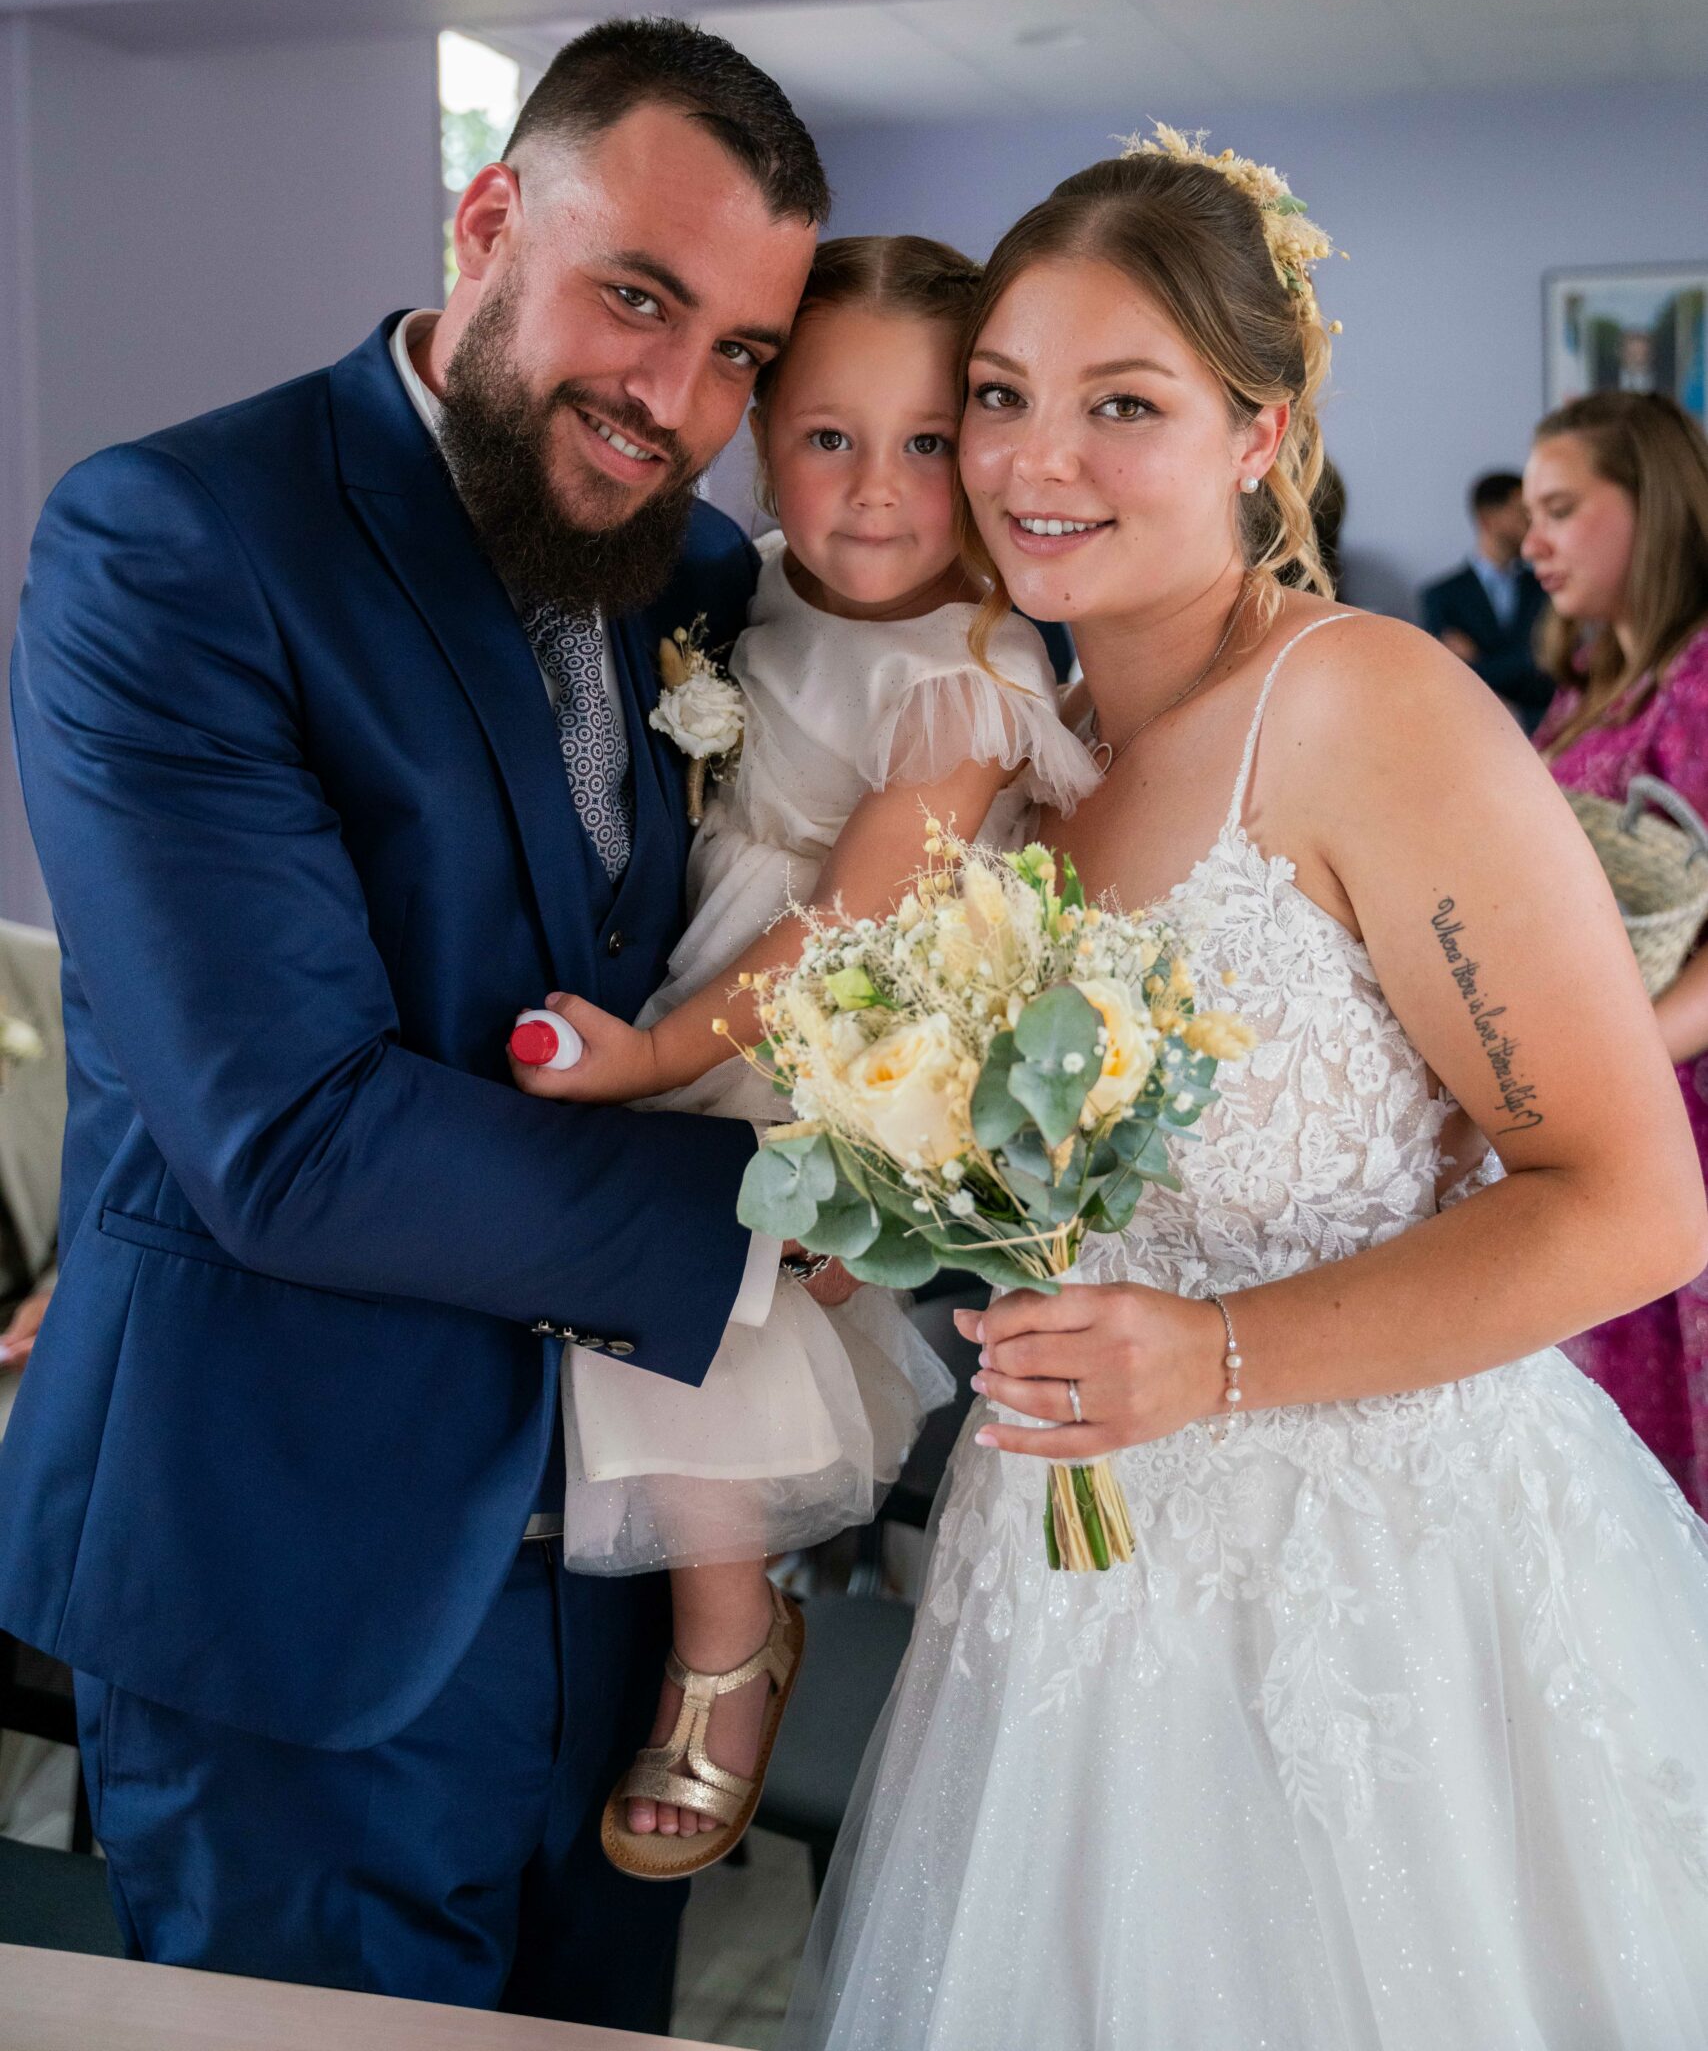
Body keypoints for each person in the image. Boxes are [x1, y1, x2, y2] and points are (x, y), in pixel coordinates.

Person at [784, 131, 1708, 2051]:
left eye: (1122, 405)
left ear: (1255, 437)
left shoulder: (1365, 706)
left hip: (1377, 1604)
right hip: (1068, 1592)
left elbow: (1629, 1202)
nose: (1036, 461)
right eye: (998, 399)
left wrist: (1211, 1360)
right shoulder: (1020, 753)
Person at [0, 17, 841, 2025]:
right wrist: (778, 1214)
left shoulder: (696, 573)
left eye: (738, 351)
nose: (674, 401)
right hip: (295, 1573)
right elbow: (286, 1135)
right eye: (636, 298)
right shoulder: (179, 540)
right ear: (486, 222)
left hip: (625, 1577)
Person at [514, 235, 1093, 1880]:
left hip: (829, 1030)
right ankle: (709, 1609)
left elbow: (851, 932)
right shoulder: (739, 584)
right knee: (643, 1297)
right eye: (829, 436)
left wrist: (649, 1059)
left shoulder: (971, 667)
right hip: (711, 969)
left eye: (928, 441)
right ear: (761, 432)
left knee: (698, 1302)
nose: (878, 490)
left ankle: (728, 1646)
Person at [1525, 390, 1708, 1513]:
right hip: (1607, 1089)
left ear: (1655, 505)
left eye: (1560, 509)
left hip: (1668, 1098)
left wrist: (1607, 1063)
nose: (1530, 541)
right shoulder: (1592, 682)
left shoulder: (1700, 682)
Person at [1421, 469, 1553, 730]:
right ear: (1487, 519)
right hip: (1470, 733)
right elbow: (1446, 681)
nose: (1531, 523)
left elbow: (1548, 665)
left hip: (1543, 727)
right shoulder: (1439, 596)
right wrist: (1526, 659)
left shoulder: (1548, 586)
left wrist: (1477, 664)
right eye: (1522, 512)